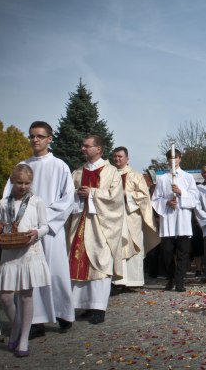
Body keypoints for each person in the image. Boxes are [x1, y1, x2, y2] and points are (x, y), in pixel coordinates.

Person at [3, 121, 75, 339]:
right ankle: (34, 321)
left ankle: (63, 313)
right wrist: (17, 223)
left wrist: (43, 223)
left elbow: (67, 199)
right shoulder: (21, 166)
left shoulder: (59, 166)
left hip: (49, 230)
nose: (35, 140)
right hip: (24, 232)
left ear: (49, 139)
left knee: (55, 273)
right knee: (29, 276)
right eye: (32, 136)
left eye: (40, 136)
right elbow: (7, 196)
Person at [0, 164, 51, 358]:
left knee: (26, 296)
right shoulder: (3, 203)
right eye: (19, 183)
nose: (23, 187)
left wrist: (37, 233)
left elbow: (45, 226)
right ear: (12, 182)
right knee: (6, 296)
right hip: (10, 253)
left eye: (27, 183)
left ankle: (24, 337)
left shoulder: (36, 201)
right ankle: (15, 325)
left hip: (29, 252)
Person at [68, 135, 125, 324]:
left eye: (87, 146)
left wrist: (92, 193)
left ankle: (99, 307)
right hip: (79, 222)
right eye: (82, 146)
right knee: (77, 260)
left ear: (98, 149)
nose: (82, 149)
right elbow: (68, 197)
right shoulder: (77, 172)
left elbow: (115, 199)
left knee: (100, 263)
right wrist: (77, 195)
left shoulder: (111, 172)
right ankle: (82, 305)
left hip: (101, 225)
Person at [111, 147, 158, 293]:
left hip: (131, 216)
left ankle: (132, 281)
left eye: (120, 156)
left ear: (127, 158)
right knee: (116, 246)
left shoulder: (136, 176)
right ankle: (117, 280)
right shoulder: (109, 175)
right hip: (113, 217)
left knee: (133, 246)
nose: (117, 159)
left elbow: (144, 196)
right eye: (115, 157)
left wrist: (126, 194)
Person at [151, 148, 199, 292]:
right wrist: (166, 202)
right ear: (168, 160)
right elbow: (155, 199)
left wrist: (181, 193)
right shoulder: (162, 179)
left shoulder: (188, 177)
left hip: (182, 220)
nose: (173, 160)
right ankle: (171, 277)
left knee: (183, 253)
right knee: (166, 252)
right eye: (170, 158)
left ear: (180, 159)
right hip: (169, 220)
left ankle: (180, 281)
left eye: (176, 157)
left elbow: (195, 199)